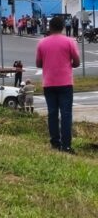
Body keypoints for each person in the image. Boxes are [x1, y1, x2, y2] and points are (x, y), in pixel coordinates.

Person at [36, 16, 80, 153]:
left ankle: (55, 143)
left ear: (50, 27)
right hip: (65, 83)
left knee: (52, 113)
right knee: (66, 114)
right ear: (62, 27)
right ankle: (66, 145)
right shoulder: (70, 41)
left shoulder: (42, 43)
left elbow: (38, 64)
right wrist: (69, 64)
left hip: (49, 83)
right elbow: (77, 62)